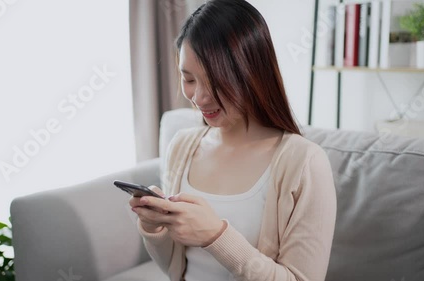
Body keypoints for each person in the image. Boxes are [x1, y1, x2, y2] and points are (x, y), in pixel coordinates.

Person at [129, 0, 337, 280]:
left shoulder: (304, 162)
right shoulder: (182, 146)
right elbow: (175, 268)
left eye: (216, 81)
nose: (199, 98)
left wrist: (216, 236)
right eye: (188, 79)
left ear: (253, 74)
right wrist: (154, 228)